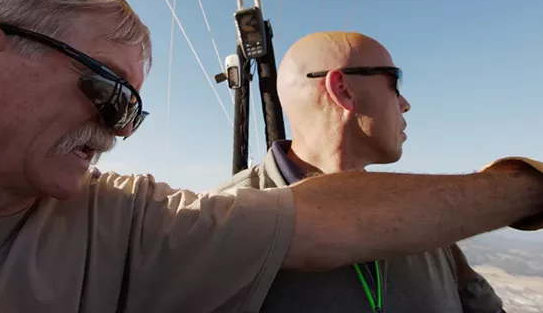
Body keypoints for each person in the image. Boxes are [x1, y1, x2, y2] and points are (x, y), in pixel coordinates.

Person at [0, 0, 543, 313]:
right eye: (109, 93)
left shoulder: (123, 223)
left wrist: (523, 187)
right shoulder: (123, 232)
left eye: (133, 113)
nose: (116, 131)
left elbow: (320, 221)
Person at [216, 31, 508, 313]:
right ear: (343, 90)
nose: (405, 104)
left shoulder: (421, 210)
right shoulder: (224, 225)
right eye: (395, 84)